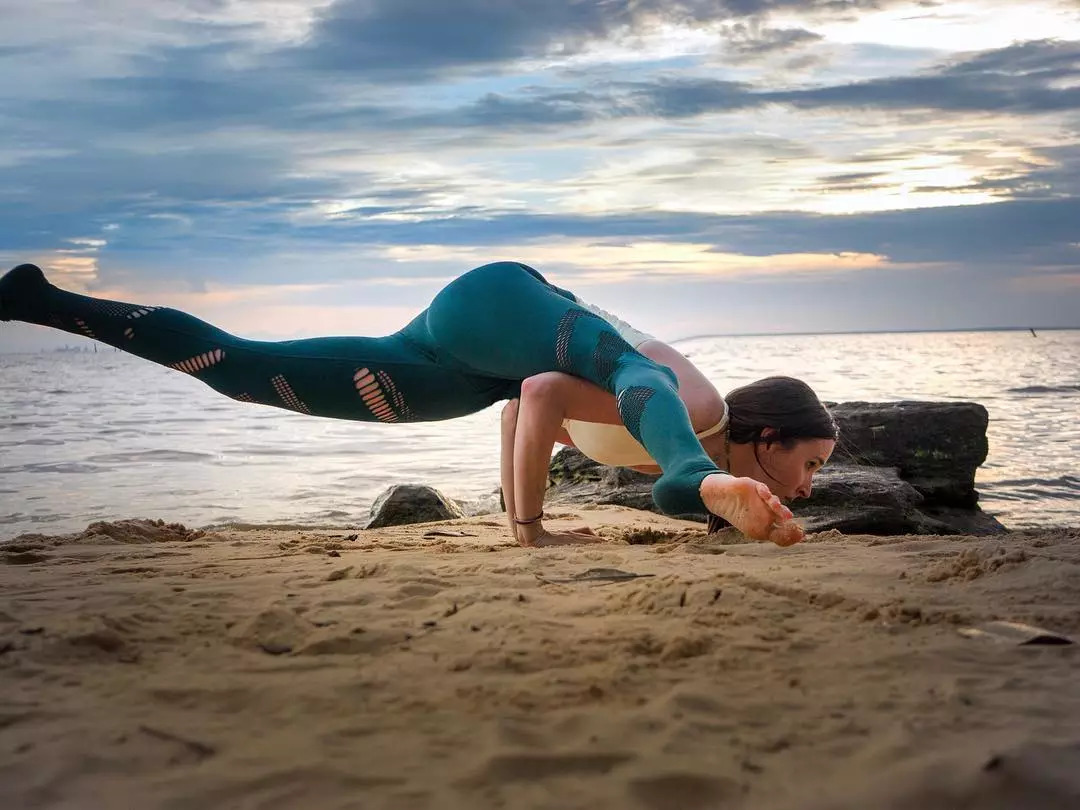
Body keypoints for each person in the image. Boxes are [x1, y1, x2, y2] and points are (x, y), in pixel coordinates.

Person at [0, 260, 836, 547]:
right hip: (517, 308)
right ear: (768, 437)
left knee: (247, 371)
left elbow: (522, 412)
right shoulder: (704, 405)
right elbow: (544, 386)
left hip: (461, 361)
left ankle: (40, 302)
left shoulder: (648, 430)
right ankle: (692, 484)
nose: (809, 484)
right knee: (633, 370)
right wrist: (531, 530)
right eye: (810, 463)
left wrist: (524, 522)